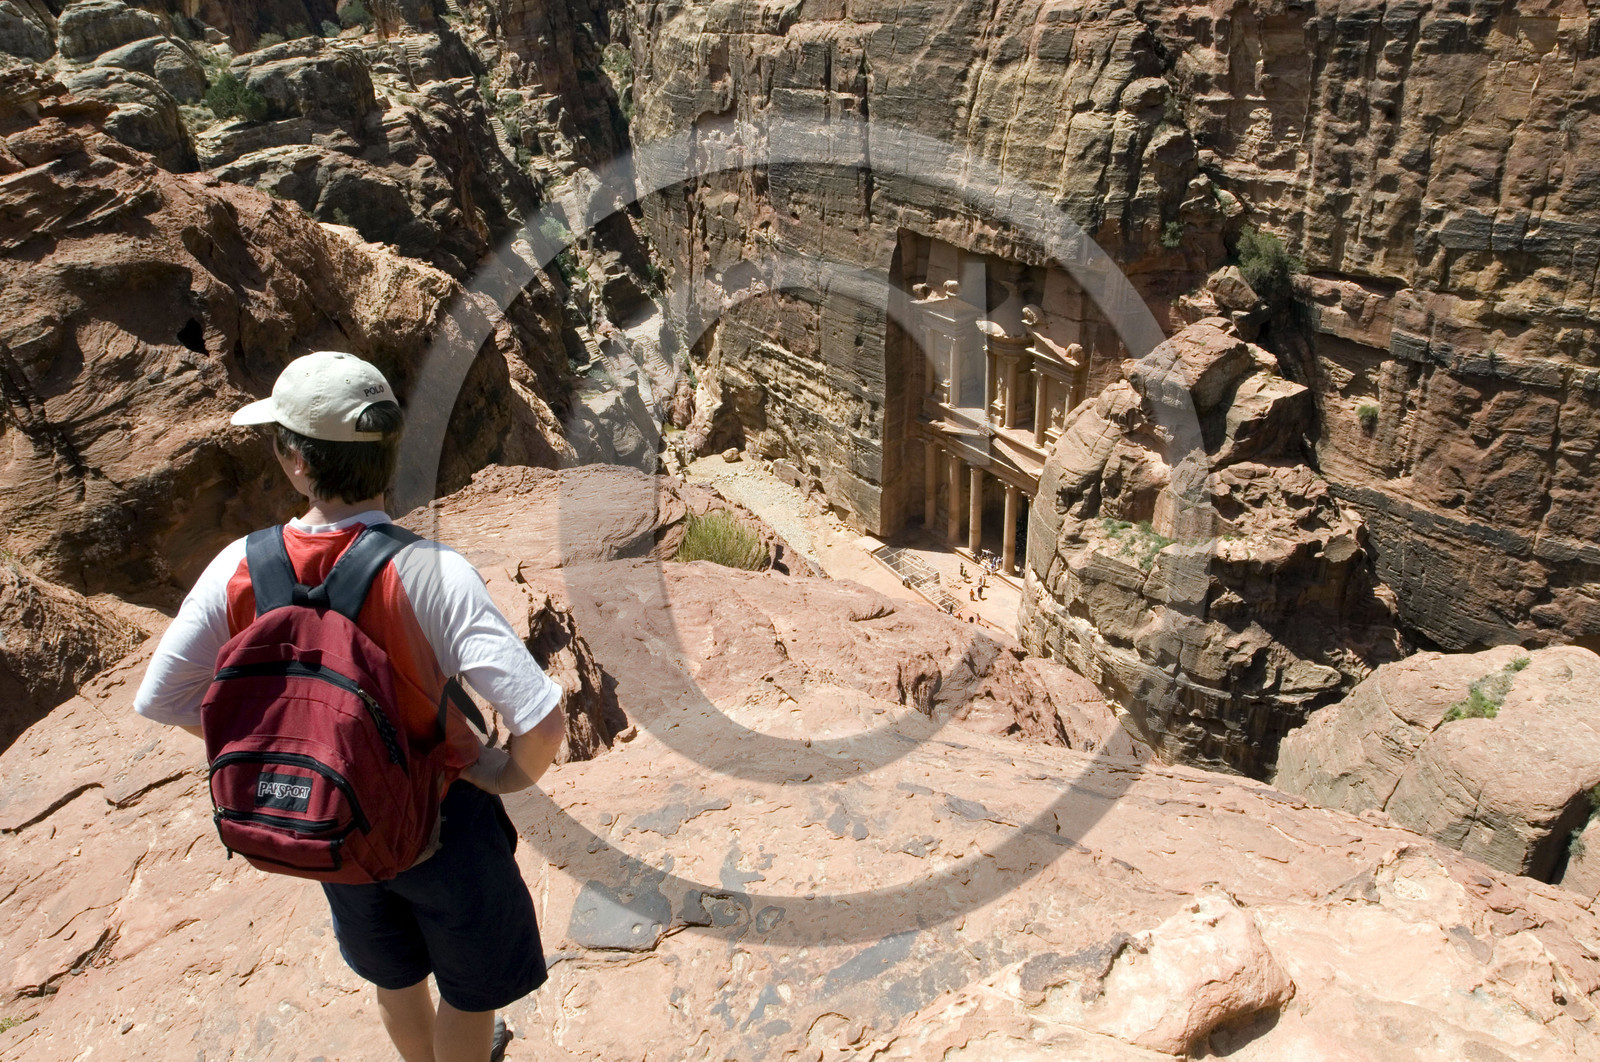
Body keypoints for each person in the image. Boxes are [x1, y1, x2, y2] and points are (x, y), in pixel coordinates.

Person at [133, 351, 566, 1062]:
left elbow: (165, 697)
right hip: (441, 817)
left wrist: (275, 747)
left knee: (394, 974)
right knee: (469, 991)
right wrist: (505, 775)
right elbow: (542, 722)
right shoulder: (431, 572)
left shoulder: (238, 567)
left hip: (330, 818)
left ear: (298, 462)